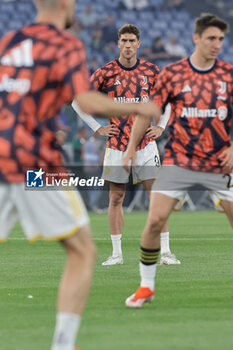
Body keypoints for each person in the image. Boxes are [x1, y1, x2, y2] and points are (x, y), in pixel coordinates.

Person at [0, 1, 160, 349]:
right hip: (34, 162)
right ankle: (63, 343)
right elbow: (85, 100)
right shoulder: (65, 43)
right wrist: (136, 106)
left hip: (3, 156)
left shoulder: (10, 41)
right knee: (82, 250)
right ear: (61, 4)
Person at [123, 13, 233, 308]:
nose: (217, 44)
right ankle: (146, 286)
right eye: (211, 38)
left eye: (221, 39)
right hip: (179, 159)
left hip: (218, 162)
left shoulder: (228, 74)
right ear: (196, 38)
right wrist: (131, 148)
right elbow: (147, 112)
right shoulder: (173, 73)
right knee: (155, 220)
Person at [73, 24, 180, 266]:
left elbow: (170, 100)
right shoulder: (105, 72)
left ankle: (165, 252)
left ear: (139, 44)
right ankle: (116, 254)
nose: (128, 45)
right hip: (116, 145)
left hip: (146, 145)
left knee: (157, 197)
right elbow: (78, 102)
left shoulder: (152, 71)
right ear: (118, 43)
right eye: (124, 41)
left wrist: (162, 126)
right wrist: (96, 127)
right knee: (116, 198)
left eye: (132, 41)